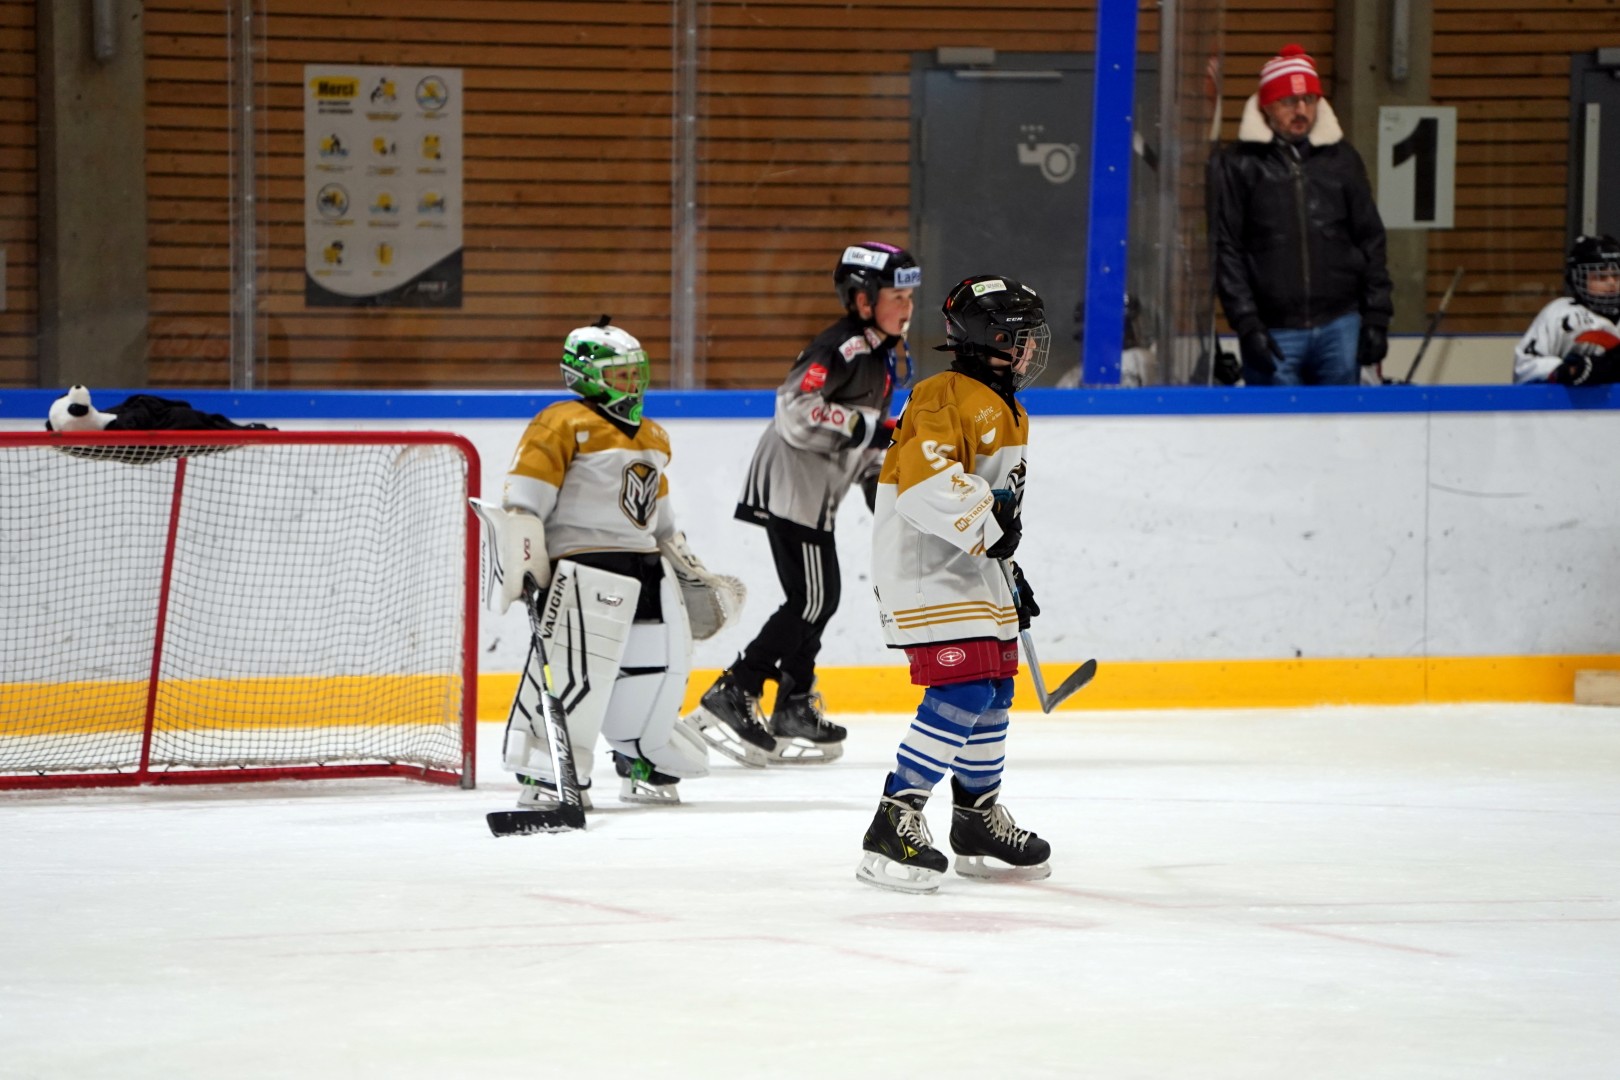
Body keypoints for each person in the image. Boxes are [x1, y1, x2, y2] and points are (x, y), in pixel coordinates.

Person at [475, 316, 742, 813]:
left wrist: (682, 563)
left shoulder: (653, 434)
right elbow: (523, 505)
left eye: (635, 372)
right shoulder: (561, 422)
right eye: (620, 374)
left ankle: (641, 754)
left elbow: (659, 517)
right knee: (576, 673)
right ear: (584, 375)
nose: (632, 383)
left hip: (647, 568)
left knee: (659, 667)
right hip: (583, 568)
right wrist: (523, 565)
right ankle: (548, 766)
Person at [856, 274, 1053, 895]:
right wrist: (989, 527)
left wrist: (1008, 568)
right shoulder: (943, 394)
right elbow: (925, 485)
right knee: (964, 688)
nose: (1031, 348)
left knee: (995, 690)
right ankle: (894, 818)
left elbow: (997, 508)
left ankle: (975, 819)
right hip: (927, 570)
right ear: (991, 337)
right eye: (1021, 336)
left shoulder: (1007, 405)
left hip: (971, 567)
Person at [689, 242, 919, 768]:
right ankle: (737, 689)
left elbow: (866, 434)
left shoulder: (881, 355)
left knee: (817, 597)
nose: (907, 308)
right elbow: (795, 409)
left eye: (909, 297)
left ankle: (792, 703)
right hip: (795, 485)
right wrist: (871, 429)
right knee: (814, 598)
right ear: (862, 300)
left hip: (815, 489)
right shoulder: (843, 348)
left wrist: (881, 486)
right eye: (896, 297)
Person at [1209, 43, 1393, 386]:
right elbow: (1227, 248)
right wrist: (1247, 324)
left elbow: (1370, 239)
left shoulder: (1343, 160)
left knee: (1340, 421)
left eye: (1309, 99)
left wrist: (1377, 317)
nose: (1301, 110)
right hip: (1273, 329)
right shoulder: (1238, 165)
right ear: (1266, 106)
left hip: (1341, 323)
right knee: (1276, 422)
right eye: (1289, 101)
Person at [1514, 234, 1620, 386]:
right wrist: (1567, 370)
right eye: (1600, 277)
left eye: (1616, 276)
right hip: (1561, 401)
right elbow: (1524, 367)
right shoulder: (1561, 315)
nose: (1611, 283)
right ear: (1577, 278)